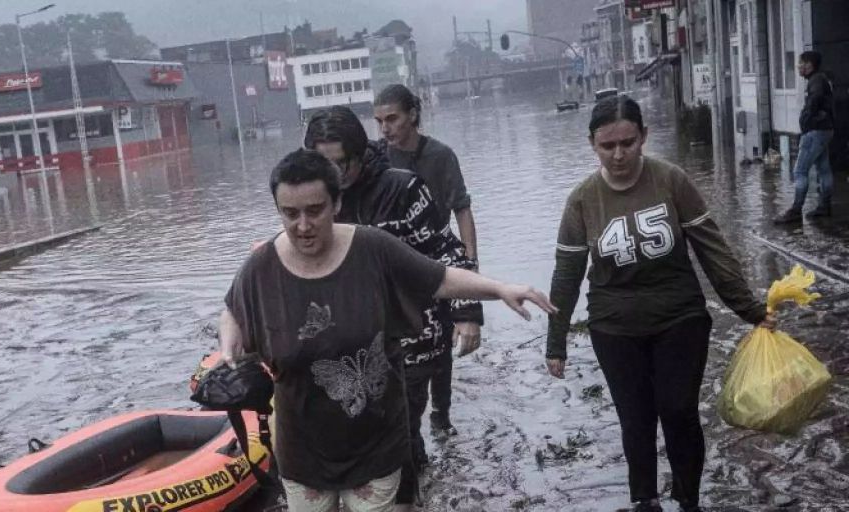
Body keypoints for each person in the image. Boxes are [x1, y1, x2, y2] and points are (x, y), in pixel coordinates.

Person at [219, 148, 555, 512]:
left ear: (337, 202)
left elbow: (439, 278)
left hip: (375, 441)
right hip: (303, 448)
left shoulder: (372, 248)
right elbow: (234, 306)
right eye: (290, 213)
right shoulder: (261, 266)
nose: (303, 225)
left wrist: (500, 289)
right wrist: (229, 343)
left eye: (315, 210)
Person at [545, 96, 777, 512]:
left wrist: (751, 310)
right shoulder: (582, 200)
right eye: (607, 146)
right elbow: (567, 275)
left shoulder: (671, 181)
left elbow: (714, 252)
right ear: (593, 145)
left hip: (679, 316)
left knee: (678, 409)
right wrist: (555, 341)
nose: (619, 154)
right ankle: (644, 500)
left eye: (628, 143)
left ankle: (689, 498)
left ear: (643, 137)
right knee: (636, 419)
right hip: (614, 326)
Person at [304, 105, 481, 506]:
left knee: (396, 435)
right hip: (349, 347)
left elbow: (448, 253)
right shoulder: (312, 202)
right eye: (322, 164)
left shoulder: (403, 189)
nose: (332, 175)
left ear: (360, 152)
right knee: (369, 438)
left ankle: (409, 495)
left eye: (340, 163)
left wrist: (468, 315)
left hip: (412, 341)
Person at [373, 84, 478, 442]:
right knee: (405, 344)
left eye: (392, 119)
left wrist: (469, 262)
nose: (386, 128)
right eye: (379, 121)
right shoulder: (378, 161)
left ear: (412, 115)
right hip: (398, 268)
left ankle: (442, 413)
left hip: (439, 257)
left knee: (444, 338)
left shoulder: (441, 156)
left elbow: (462, 207)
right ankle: (408, 427)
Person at [774, 50, 836, 223]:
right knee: (823, 168)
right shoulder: (822, 79)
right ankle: (825, 206)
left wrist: (806, 119)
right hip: (826, 130)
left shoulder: (816, 80)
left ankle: (795, 210)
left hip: (815, 131)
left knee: (800, 170)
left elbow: (814, 100)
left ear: (809, 65)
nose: (798, 66)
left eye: (801, 63)